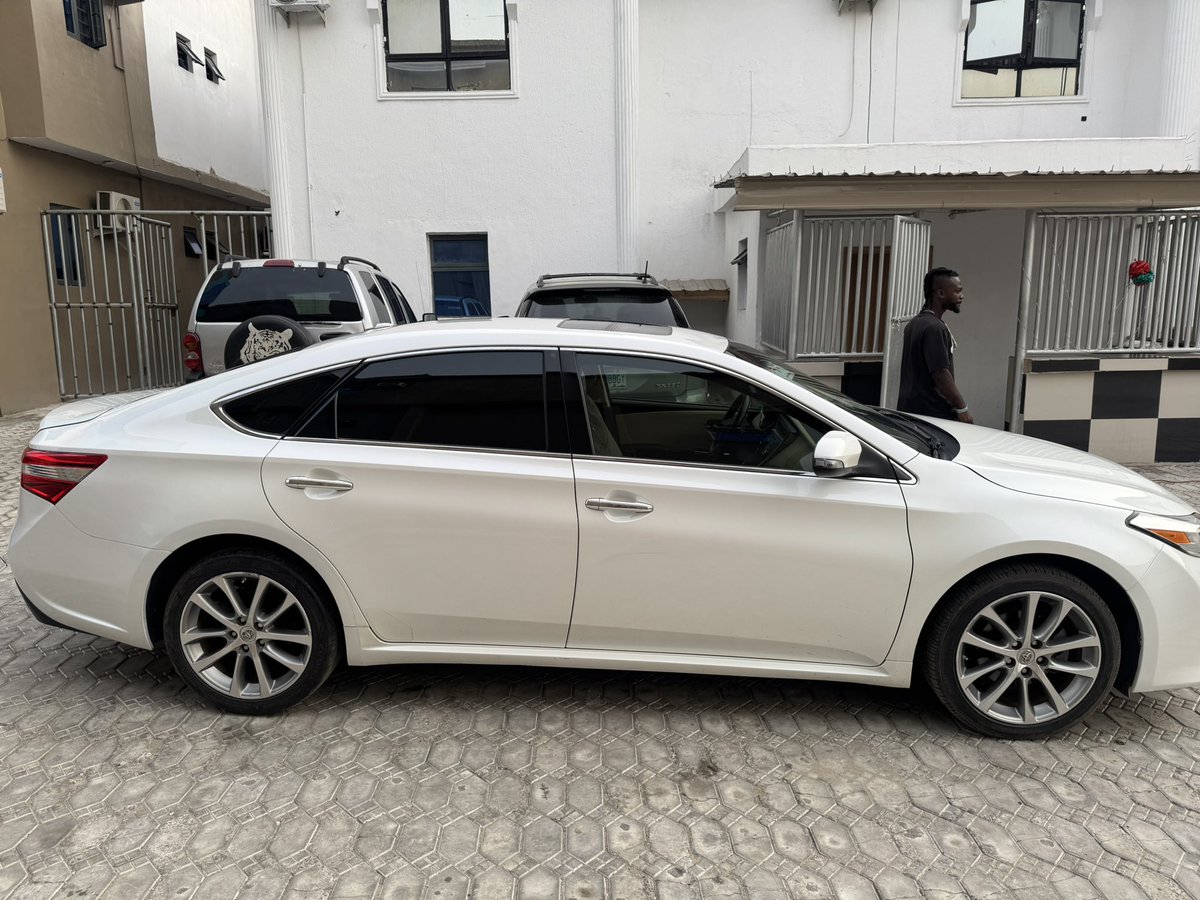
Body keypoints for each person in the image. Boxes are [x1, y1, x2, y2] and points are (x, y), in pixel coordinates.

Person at [897, 267, 973, 424]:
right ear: (941, 293)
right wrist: (962, 409)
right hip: (933, 416)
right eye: (957, 291)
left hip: (911, 414)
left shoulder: (915, 323)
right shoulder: (934, 327)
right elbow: (940, 374)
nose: (962, 296)